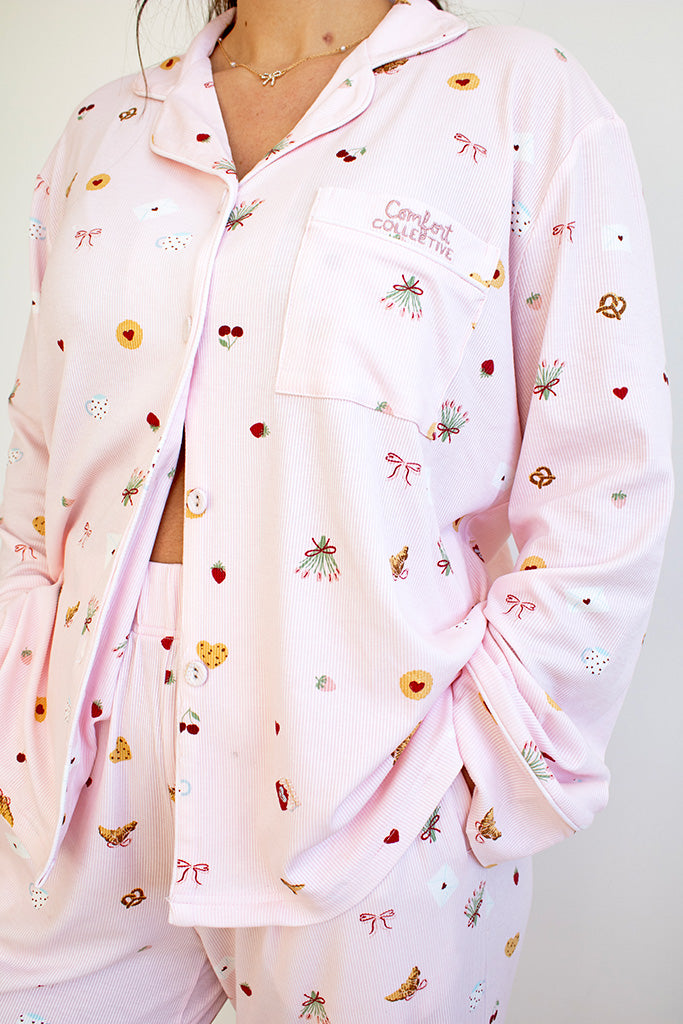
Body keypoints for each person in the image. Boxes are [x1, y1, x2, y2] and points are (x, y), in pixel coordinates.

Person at [0, 0, 673, 1021]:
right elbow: (36, 453)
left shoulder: (518, 99)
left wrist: (484, 755)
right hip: (70, 761)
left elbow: (602, 468)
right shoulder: (107, 126)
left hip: (371, 765)